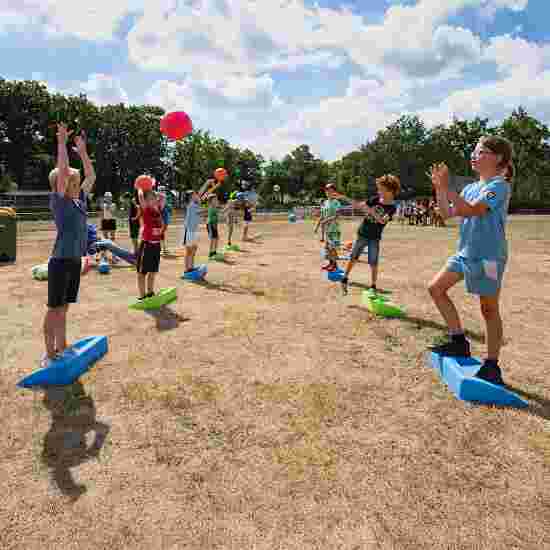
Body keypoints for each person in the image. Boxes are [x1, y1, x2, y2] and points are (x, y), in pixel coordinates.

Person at [428, 135, 514, 386]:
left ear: (498, 158)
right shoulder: (470, 187)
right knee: (436, 288)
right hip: (465, 252)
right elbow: (446, 213)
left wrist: (448, 189)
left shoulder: (499, 185)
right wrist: (439, 188)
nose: (473, 155)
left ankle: (491, 365)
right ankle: (458, 342)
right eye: (474, 151)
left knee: (488, 309)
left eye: (480, 151)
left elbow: (473, 210)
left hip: (488, 257)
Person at [43, 124, 95, 367]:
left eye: (75, 182)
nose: (77, 183)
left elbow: (91, 176)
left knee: (64, 307)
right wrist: (62, 143)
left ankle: (62, 346)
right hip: (60, 261)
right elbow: (63, 172)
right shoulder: (61, 203)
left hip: (73, 261)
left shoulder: (79, 201)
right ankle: (49, 352)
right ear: (62, 185)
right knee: (54, 308)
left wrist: (83, 152)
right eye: (73, 181)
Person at [339, 175, 400, 295]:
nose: (378, 191)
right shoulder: (374, 200)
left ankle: (373, 285)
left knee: (373, 262)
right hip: (362, 234)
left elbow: (383, 220)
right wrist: (344, 198)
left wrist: (371, 211)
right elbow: (359, 205)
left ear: (389, 191)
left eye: (380, 189)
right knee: (353, 257)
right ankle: (345, 278)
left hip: (374, 238)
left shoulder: (392, 207)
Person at [182, 178, 222, 273]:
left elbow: (206, 194)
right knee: (189, 250)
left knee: (194, 249)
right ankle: (187, 269)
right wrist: (207, 183)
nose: (197, 195)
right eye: (195, 195)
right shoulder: (191, 204)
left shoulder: (196, 203)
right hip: (189, 230)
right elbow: (202, 195)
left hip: (194, 230)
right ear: (190, 198)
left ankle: (191, 267)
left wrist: (213, 187)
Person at [135, 183, 165, 300]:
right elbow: (141, 197)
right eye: (151, 199)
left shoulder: (158, 210)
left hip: (156, 246)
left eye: (154, 198)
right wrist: (141, 188)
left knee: (153, 271)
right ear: (146, 202)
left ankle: (150, 293)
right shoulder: (146, 209)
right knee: (142, 272)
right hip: (146, 245)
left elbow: (163, 197)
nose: (154, 200)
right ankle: (142, 297)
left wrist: (153, 192)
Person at [314, 183, 345, 272]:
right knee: (328, 248)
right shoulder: (325, 202)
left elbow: (337, 216)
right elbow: (322, 215)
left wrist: (326, 221)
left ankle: (335, 266)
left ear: (334, 192)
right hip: (327, 230)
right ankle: (330, 264)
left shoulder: (336, 202)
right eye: (327, 190)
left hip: (334, 229)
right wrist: (317, 225)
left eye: (331, 191)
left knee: (333, 248)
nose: (328, 192)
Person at [99, 191, 117, 263]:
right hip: (105, 221)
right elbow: (102, 214)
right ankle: (105, 256)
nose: (108, 198)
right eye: (107, 197)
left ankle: (113, 256)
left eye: (109, 197)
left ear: (111, 198)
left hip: (112, 221)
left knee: (112, 239)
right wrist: (101, 223)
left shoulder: (113, 204)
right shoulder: (103, 205)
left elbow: (114, 213)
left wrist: (109, 207)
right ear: (105, 198)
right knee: (105, 240)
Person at [158, 185, 173, 255]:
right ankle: (162, 249)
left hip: (163, 219)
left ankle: (163, 248)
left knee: (161, 234)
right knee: (160, 234)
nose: (163, 192)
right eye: (161, 190)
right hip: (161, 220)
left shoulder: (162, 198)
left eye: (163, 190)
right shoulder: (161, 198)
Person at [206, 193, 220, 258]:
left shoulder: (215, 207)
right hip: (211, 224)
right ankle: (210, 253)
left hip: (214, 225)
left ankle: (214, 252)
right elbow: (211, 218)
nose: (216, 200)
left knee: (216, 238)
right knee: (212, 239)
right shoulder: (211, 207)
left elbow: (217, 216)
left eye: (216, 199)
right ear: (211, 201)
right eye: (215, 199)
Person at [128, 190, 141, 257]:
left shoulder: (135, 200)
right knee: (134, 237)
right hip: (134, 221)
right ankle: (136, 251)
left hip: (134, 221)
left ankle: (137, 252)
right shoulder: (139, 200)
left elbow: (139, 209)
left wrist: (135, 218)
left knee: (134, 237)